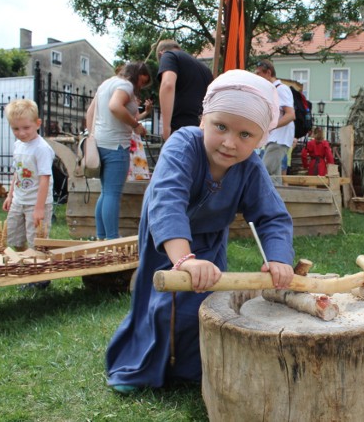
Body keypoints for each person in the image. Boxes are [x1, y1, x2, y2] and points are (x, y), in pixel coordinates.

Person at [105, 69, 295, 394]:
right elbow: (167, 203)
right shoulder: (183, 145)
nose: (230, 142)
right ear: (204, 118)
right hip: (165, 238)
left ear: (261, 138)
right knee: (160, 306)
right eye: (221, 126)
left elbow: (272, 217)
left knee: (202, 305)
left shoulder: (251, 168)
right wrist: (184, 260)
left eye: (245, 135)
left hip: (209, 240)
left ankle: (191, 369)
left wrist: (278, 258)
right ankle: (136, 368)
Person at [86, 62, 151, 240]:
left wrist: (93, 136)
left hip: (101, 143)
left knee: (106, 192)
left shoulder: (106, 84)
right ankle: (112, 239)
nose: (141, 86)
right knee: (113, 194)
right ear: (137, 74)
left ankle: (101, 236)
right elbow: (115, 106)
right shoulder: (125, 85)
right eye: (142, 81)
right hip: (117, 145)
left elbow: (90, 113)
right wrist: (136, 125)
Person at [2, 100, 55, 288]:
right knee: (14, 237)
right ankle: (27, 267)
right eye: (15, 129)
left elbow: (44, 179)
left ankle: (40, 277)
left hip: (36, 202)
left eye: (26, 127)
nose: (21, 133)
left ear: (38, 124)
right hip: (19, 200)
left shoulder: (41, 149)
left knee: (36, 241)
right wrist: (10, 195)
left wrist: (39, 208)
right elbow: (17, 171)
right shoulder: (18, 145)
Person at [156, 40, 214, 140]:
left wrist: (165, 128)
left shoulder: (168, 55)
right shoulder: (205, 69)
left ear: (161, 53)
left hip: (178, 131)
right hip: (201, 130)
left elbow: (168, 85)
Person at [254, 59, 295, 185]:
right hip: (274, 138)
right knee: (274, 177)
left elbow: (290, 115)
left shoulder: (281, 89)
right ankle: (279, 202)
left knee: (263, 172)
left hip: (279, 138)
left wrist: (271, 126)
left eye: (258, 73)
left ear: (268, 73)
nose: (256, 77)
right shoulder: (272, 90)